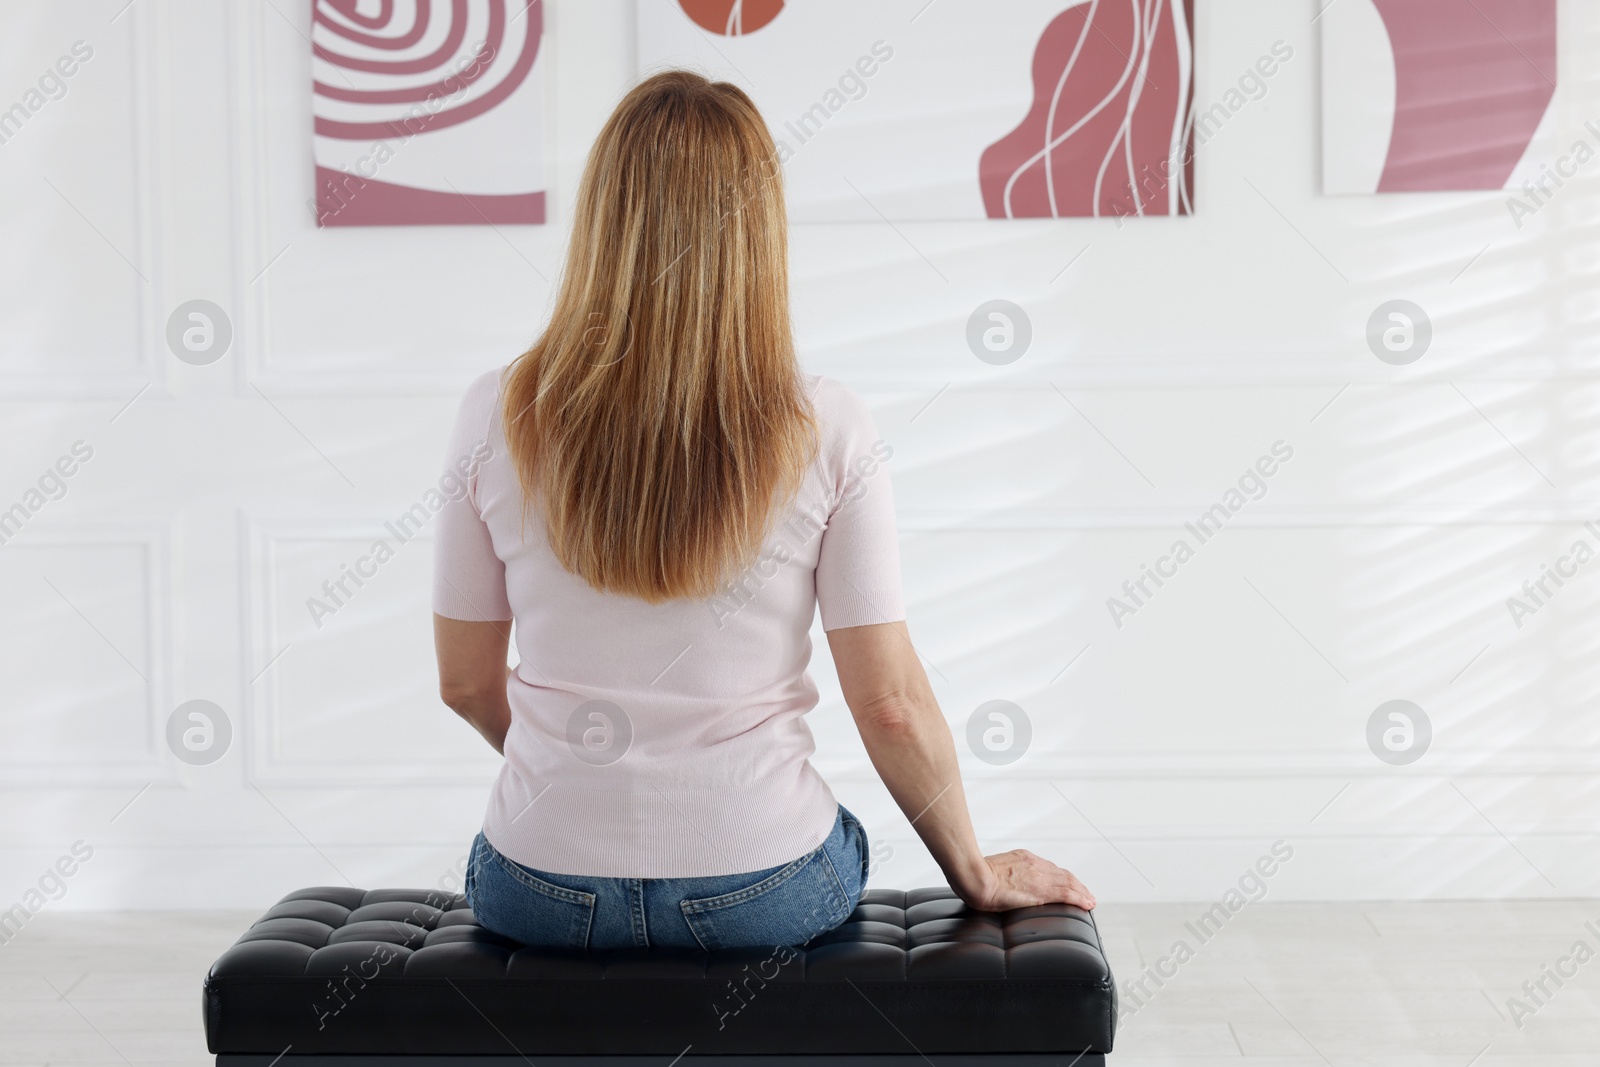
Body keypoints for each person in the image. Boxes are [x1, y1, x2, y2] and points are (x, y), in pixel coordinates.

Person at [432, 70, 1094, 952]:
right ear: (758, 232)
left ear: (603, 224)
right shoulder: (826, 426)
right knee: (833, 835)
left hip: (541, 887)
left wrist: (582, 779)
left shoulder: (495, 412)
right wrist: (969, 865)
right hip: (756, 887)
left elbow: (465, 681)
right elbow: (889, 704)